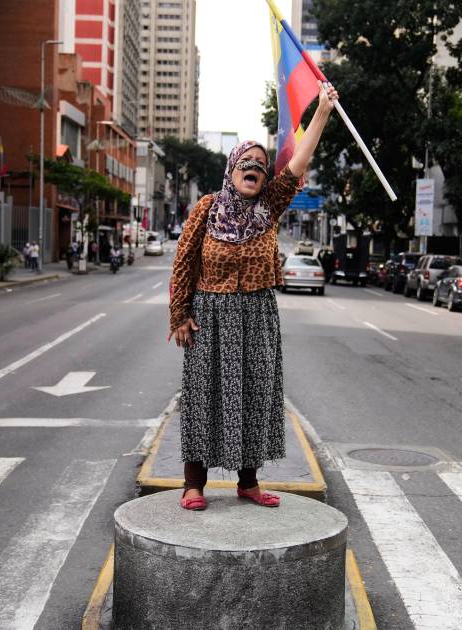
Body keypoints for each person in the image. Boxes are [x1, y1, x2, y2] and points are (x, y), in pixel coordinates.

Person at [168, 82, 339, 511]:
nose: (254, 168)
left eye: (261, 165)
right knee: (203, 397)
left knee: (255, 396)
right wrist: (179, 315)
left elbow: (298, 163)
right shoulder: (207, 208)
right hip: (209, 315)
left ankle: (248, 482)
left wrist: (322, 110)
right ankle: (193, 484)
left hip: (258, 315)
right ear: (231, 169)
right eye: (246, 162)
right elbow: (183, 262)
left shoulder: (270, 207)